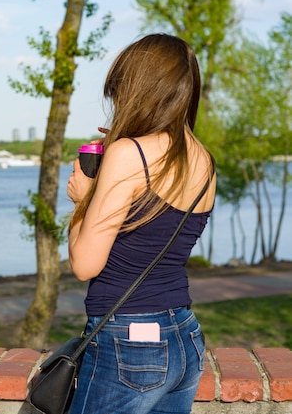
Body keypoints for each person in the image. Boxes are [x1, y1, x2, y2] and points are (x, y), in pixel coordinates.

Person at [66, 34, 216, 414]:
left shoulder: (129, 154)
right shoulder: (204, 160)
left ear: (138, 90)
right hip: (184, 334)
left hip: (128, 340)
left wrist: (83, 200)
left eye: (118, 92)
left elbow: (85, 264)